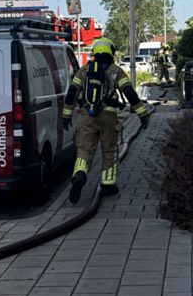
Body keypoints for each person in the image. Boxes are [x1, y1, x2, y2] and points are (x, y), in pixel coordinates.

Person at [62, 38, 150, 204]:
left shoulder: (84, 70)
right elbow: (130, 92)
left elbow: (72, 92)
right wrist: (142, 114)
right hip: (108, 116)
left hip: (87, 116)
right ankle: (108, 185)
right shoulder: (116, 71)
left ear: (94, 53)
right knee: (109, 150)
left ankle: (80, 175)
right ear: (111, 52)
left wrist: (66, 116)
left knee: (84, 151)